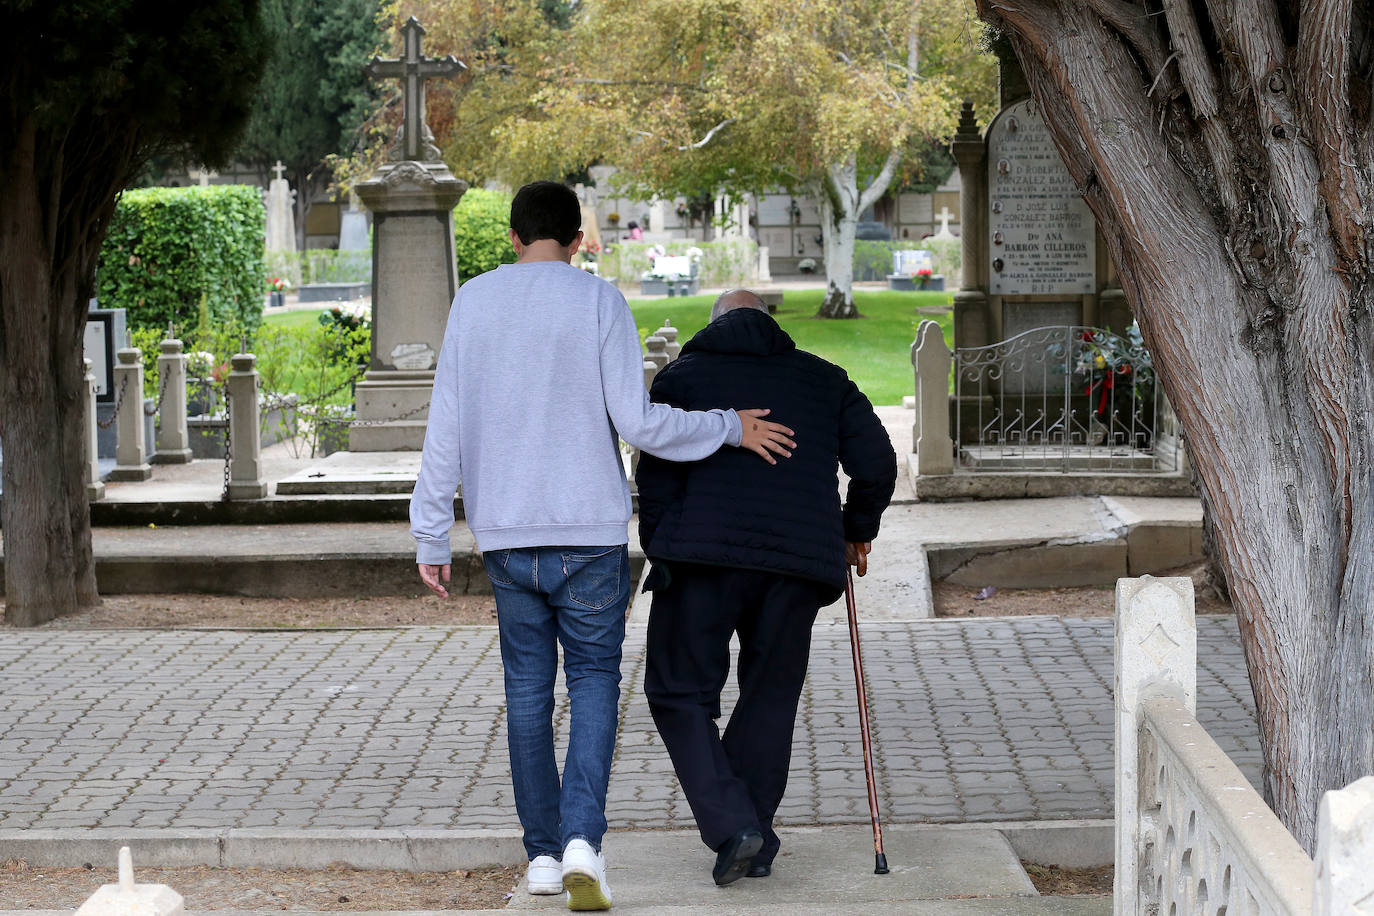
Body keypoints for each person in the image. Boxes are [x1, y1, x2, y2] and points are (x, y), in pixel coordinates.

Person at [410, 185, 796, 911]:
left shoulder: (474, 303)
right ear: (579, 239)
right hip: (588, 535)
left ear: (516, 237)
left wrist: (430, 530)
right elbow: (640, 423)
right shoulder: (599, 302)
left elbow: (447, 427)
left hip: (506, 535)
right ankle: (584, 839)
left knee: (526, 694)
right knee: (592, 685)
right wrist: (727, 427)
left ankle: (543, 858)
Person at [636, 289, 897, 886]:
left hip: (698, 561)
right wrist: (856, 530)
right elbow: (878, 463)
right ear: (770, 324)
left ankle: (736, 829)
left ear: (714, 325)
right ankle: (749, 831)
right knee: (770, 695)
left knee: (679, 693)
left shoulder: (682, 379)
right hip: (796, 566)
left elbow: (652, 470)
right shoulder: (824, 378)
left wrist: (662, 543)